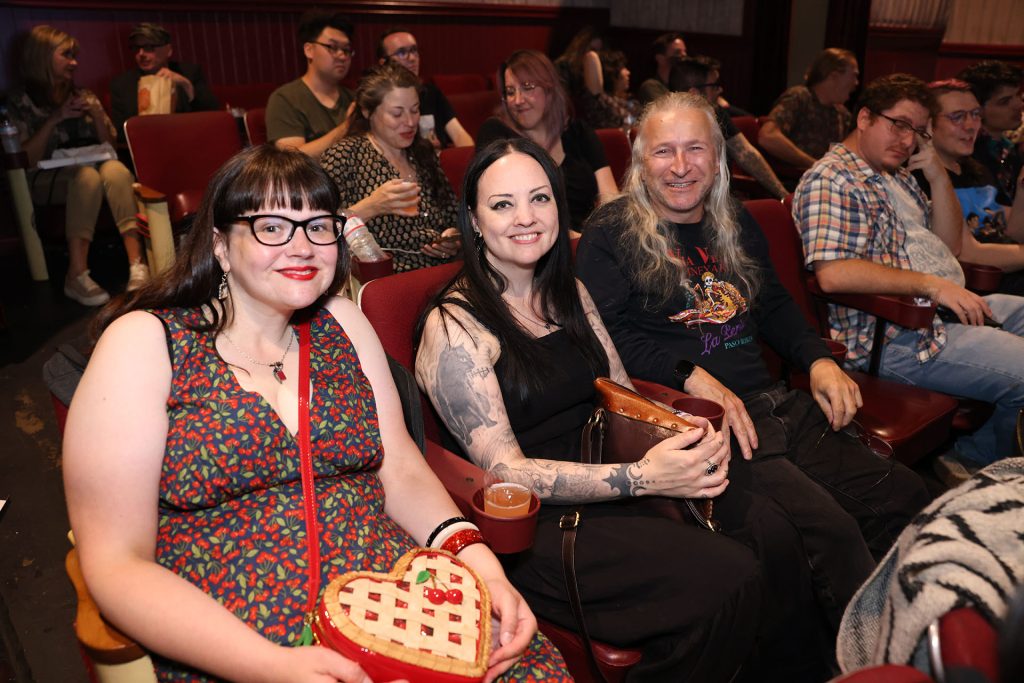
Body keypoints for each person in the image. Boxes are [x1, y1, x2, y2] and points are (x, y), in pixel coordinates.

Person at [62, 144, 571, 682]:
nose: (302, 247)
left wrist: (476, 560)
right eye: (272, 228)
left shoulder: (343, 323)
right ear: (220, 244)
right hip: (237, 633)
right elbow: (116, 564)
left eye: (318, 227)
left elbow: (398, 468)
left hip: (392, 599)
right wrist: (272, 667)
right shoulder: (145, 344)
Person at [417, 136, 835, 681]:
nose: (525, 218)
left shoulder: (569, 292)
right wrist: (641, 477)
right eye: (502, 204)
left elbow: (620, 395)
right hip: (539, 521)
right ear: (473, 220)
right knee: (731, 577)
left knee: (772, 531)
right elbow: (505, 474)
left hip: (615, 471)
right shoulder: (454, 329)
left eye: (539, 199)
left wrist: (679, 433)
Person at [576, 91, 932, 626]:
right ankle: (850, 655)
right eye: (662, 151)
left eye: (694, 148)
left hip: (775, 407)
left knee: (905, 495)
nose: (679, 166)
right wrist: (691, 376)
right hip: (705, 427)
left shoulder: (733, 219)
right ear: (639, 160)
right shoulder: (611, 233)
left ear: (717, 158)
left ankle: (898, 628)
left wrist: (818, 360)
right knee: (830, 533)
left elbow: (772, 305)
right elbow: (606, 339)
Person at [793, 73, 1024, 483]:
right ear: (864, 118)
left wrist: (937, 175)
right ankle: (977, 464)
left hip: (931, 316)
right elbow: (832, 273)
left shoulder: (893, 174)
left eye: (916, 131)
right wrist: (932, 285)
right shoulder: (832, 179)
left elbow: (952, 246)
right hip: (891, 338)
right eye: (897, 124)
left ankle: (971, 451)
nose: (907, 140)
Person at [6, 25, 147, 304]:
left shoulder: (83, 94)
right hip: (44, 177)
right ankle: (77, 274)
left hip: (94, 165)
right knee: (86, 178)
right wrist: (55, 118)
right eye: (66, 55)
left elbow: (111, 147)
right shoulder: (20, 101)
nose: (74, 62)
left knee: (117, 171)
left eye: (75, 56)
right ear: (43, 57)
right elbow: (25, 158)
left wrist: (95, 115)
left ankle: (137, 264)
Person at [321, 63, 460, 273]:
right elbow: (322, 229)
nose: (410, 121)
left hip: (442, 272)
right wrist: (373, 206)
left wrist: (451, 238)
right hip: (386, 279)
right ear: (367, 111)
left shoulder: (423, 152)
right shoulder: (345, 155)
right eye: (397, 114)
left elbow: (452, 214)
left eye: (415, 110)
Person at [476, 49, 616, 229]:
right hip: (527, 241)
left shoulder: (579, 132)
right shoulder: (496, 134)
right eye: (510, 92)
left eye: (527, 87)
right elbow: (497, 211)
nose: (517, 100)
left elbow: (610, 201)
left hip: (587, 242)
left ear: (550, 90)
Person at [912, 79, 1024, 295]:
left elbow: (1013, 231)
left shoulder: (976, 169)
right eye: (958, 117)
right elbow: (966, 253)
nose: (971, 125)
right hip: (979, 289)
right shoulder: (920, 178)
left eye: (975, 115)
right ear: (927, 125)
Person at [668, 57, 787, 199]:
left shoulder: (716, 113)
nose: (720, 89)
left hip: (722, 202)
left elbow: (747, 154)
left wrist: (784, 197)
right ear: (694, 93)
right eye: (714, 86)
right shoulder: (665, 127)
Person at [266, 10, 356, 159]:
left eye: (346, 50)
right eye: (332, 47)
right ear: (309, 50)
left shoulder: (353, 97)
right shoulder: (285, 99)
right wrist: (347, 126)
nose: (342, 56)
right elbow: (292, 159)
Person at [109, 22, 219, 142]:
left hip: (189, 141)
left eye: (149, 47)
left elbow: (212, 116)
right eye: (137, 48)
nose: (141, 54)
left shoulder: (189, 72)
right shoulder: (121, 84)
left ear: (168, 50)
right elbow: (120, 133)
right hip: (145, 145)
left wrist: (186, 85)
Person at [758, 48, 859, 171]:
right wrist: (816, 165)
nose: (856, 83)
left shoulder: (842, 114)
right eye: (854, 76)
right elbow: (768, 137)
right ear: (834, 76)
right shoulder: (800, 97)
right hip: (794, 182)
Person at [376, 27, 474, 148]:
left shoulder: (431, 92)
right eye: (402, 53)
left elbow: (459, 134)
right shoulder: (378, 99)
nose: (412, 58)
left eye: (414, 50)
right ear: (383, 62)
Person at [957, 60, 1024, 207]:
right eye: (1005, 101)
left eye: (1018, 95)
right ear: (977, 110)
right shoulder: (968, 153)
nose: (1019, 104)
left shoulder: (1010, 150)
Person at [637, 32, 687, 105]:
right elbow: (668, 112)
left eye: (685, 51)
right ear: (660, 58)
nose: (684, 55)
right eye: (677, 52)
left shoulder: (683, 86)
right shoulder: (651, 86)